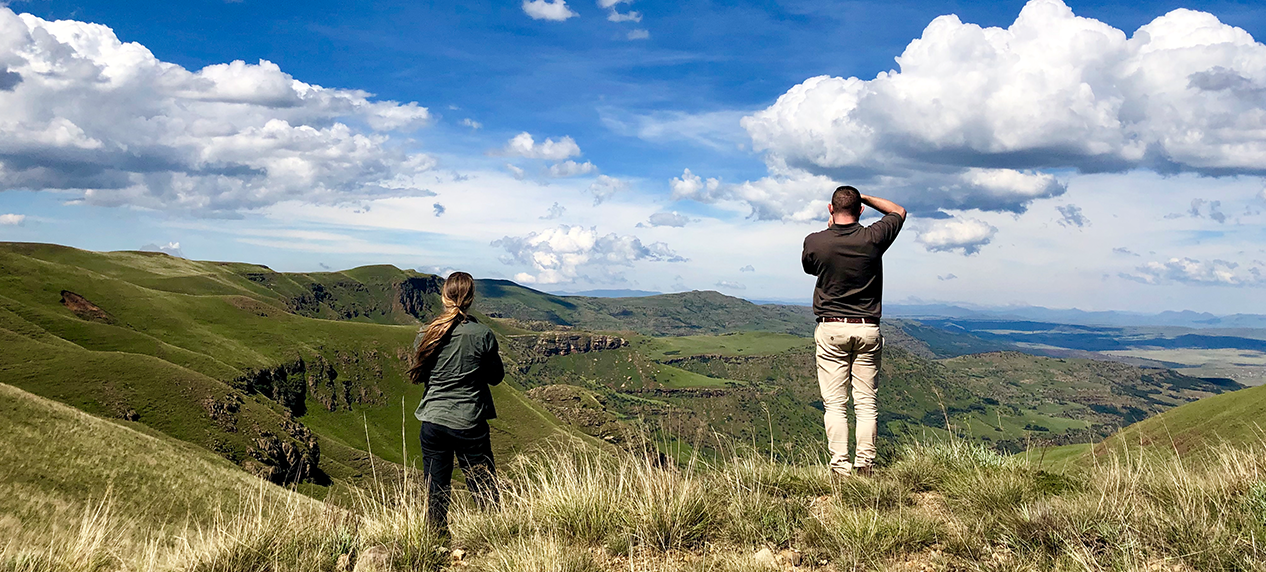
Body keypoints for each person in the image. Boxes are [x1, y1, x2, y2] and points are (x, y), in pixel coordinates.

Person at [801, 186, 906, 478]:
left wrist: (830, 229)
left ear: (830, 209)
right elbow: (899, 211)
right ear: (860, 210)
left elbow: (811, 268)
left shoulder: (815, 241)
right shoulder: (873, 237)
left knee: (835, 404)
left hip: (831, 328)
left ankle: (839, 468)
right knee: (866, 402)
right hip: (868, 329)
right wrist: (867, 198)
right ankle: (865, 466)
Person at [408, 271, 504, 534]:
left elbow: (420, 375)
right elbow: (496, 377)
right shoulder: (482, 334)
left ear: (444, 297)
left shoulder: (426, 334)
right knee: (483, 485)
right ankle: (494, 536)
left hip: (432, 420)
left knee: (436, 486)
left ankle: (436, 539)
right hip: (468, 421)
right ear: (471, 298)